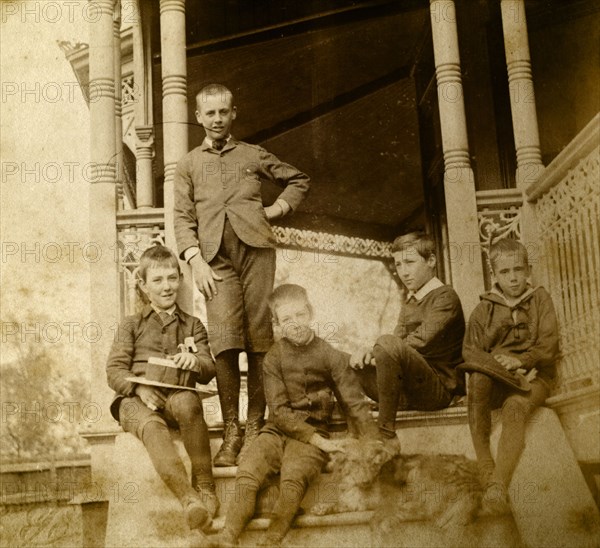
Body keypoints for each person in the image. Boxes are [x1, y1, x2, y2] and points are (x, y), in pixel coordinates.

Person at [174, 83, 311, 467]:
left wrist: (277, 209)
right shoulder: (188, 165)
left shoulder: (253, 155)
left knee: (259, 337)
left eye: (223, 112)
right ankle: (231, 430)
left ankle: (255, 427)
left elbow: (299, 179)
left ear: (233, 114)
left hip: (257, 252)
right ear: (198, 117)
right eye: (209, 113)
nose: (217, 119)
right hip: (214, 260)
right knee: (224, 339)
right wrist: (194, 261)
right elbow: (182, 219)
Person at [209, 284, 379, 547]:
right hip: (276, 430)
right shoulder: (273, 358)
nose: (296, 324)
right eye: (287, 319)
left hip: (311, 434)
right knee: (249, 469)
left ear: (310, 313)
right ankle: (227, 538)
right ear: (276, 324)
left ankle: (272, 540)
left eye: (300, 315)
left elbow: (354, 402)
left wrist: (373, 442)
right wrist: (322, 443)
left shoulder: (329, 355)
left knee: (293, 477)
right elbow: (278, 411)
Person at [106, 244, 218, 532]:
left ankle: (205, 485)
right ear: (143, 285)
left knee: (189, 403)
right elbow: (114, 371)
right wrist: (139, 390)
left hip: (177, 394)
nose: (166, 287)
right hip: (134, 401)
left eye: (171, 278)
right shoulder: (131, 325)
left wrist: (194, 361)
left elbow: (209, 368)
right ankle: (189, 500)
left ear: (180, 279)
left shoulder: (193, 325)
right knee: (152, 426)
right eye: (157, 280)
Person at [462, 239, 559, 511]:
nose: (514, 278)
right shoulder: (484, 308)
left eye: (519, 269)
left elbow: (548, 347)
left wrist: (520, 361)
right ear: (494, 275)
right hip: (498, 380)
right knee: (477, 379)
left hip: (534, 377)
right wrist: (497, 365)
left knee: (515, 407)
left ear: (527, 269)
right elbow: (471, 352)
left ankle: (498, 485)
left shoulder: (540, 298)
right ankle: (485, 468)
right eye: (505, 272)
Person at [350, 232, 466, 443]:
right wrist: (370, 352)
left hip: (438, 390)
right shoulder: (411, 302)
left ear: (430, 261)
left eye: (410, 262)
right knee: (349, 360)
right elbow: (396, 343)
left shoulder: (445, 297)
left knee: (386, 343)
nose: (403, 272)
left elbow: (420, 340)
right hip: (411, 390)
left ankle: (385, 432)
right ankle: (358, 428)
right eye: (399, 264)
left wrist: (380, 349)